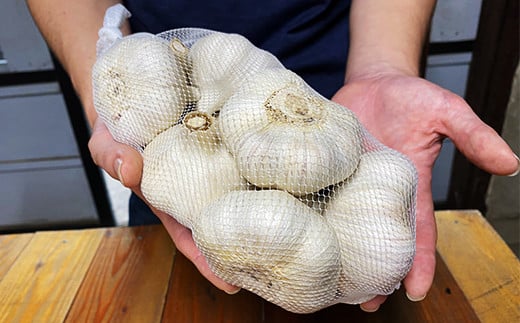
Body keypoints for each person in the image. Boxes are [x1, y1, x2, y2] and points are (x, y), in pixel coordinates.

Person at [27, 0, 519, 313]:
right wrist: (108, 97)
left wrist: (382, 67)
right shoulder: (167, 125)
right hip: (170, 126)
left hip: (339, 106)